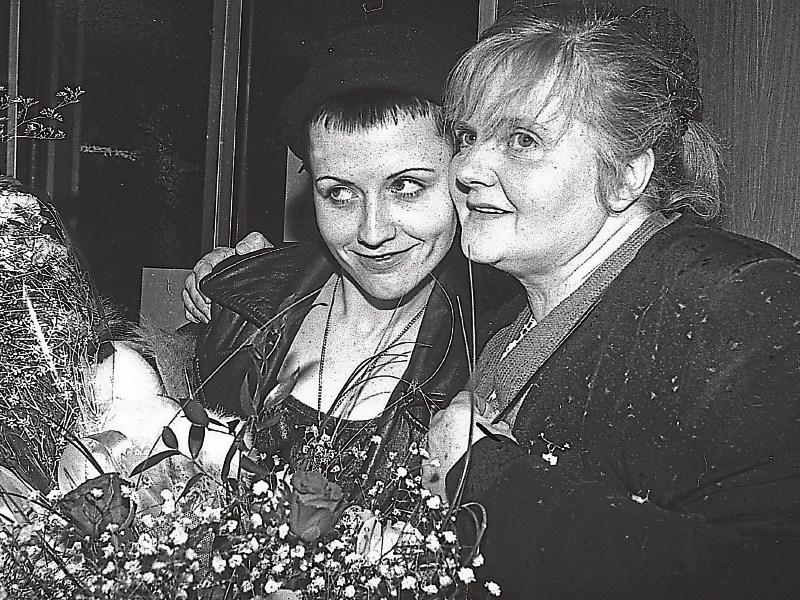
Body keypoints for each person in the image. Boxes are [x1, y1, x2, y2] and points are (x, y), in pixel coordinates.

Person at [425, 3, 800, 599]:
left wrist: (482, 477)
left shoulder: (744, 299)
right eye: (468, 137)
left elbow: (767, 577)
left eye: (522, 140)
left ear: (626, 176)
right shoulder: (503, 324)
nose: (467, 167)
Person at [191, 24, 513, 493]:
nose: (372, 233)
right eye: (340, 193)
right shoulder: (240, 305)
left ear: (463, 176)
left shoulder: (498, 345)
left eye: (407, 186)